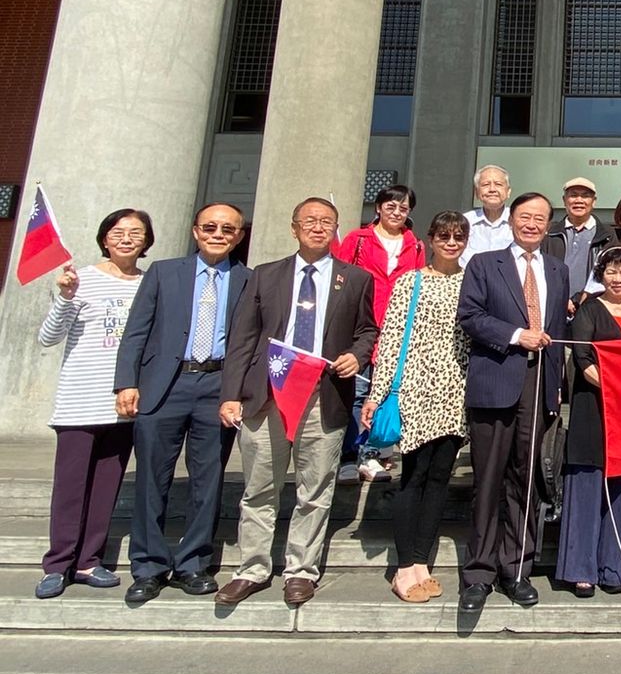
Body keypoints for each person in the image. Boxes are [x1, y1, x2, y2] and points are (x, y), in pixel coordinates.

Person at [216, 197, 378, 607]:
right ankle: (252, 568)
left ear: (336, 230)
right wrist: (231, 394)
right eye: (309, 221)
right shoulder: (265, 275)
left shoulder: (354, 278)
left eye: (326, 222)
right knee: (259, 487)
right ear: (294, 228)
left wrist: (356, 356)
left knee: (315, 489)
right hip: (267, 396)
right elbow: (243, 339)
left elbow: (367, 330)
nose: (318, 227)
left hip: (323, 396)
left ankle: (301, 570)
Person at [113, 203, 251, 602]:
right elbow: (136, 331)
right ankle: (148, 566)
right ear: (195, 231)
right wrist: (126, 383)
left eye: (228, 229)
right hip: (164, 386)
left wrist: (239, 392)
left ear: (239, 236)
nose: (218, 234)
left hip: (217, 387)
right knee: (151, 478)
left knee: (208, 480)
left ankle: (193, 563)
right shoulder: (163, 272)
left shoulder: (248, 279)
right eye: (210, 227)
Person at [456, 192, 568, 613]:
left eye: (540, 218)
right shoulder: (484, 264)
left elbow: (558, 331)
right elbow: (470, 317)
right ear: (511, 221)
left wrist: (555, 386)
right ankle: (479, 573)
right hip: (495, 380)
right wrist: (517, 335)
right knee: (488, 480)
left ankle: (517, 568)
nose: (532, 224)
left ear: (547, 225)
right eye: (525, 217)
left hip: (538, 386)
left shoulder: (557, 270)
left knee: (526, 479)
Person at [33, 209, 153, 600]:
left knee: (106, 487)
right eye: (118, 232)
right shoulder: (80, 278)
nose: (126, 239)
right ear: (104, 238)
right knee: (70, 488)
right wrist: (65, 297)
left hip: (125, 403)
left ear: (147, 241)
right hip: (80, 400)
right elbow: (48, 337)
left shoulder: (150, 284)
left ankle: (88, 560)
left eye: (136, 233)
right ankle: (57, 565)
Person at [359, 212, 471, 604]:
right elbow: (391, 339)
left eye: (458, 236)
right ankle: (404, 564)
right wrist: (377, 393)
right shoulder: (412, 280)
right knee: (414, 474)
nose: (451, 242)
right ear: (431, 239)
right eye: (444, 236)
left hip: (456, 389)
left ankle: (422, 561)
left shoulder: (471, 281)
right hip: (414, 388)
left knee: (440, 476)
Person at [555, 246, 621, 597]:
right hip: (593, 407)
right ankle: (581, 569)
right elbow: (583, 359)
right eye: (611, 271)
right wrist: (617, 388)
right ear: (601, 275)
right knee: (587, 485)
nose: (618, 278)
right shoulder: (590, 309)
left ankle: (617, 567)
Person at [333, 183, 426, 482]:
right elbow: (340, 278)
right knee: (358, 391)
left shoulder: (416, 246)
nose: (396, 212)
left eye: (403, 208)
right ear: (378, 207)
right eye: (391, 206)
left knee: (384, 392)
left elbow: (419, 287)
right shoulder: (357, 239)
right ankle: (349, 455)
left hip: (397, 330)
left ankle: (373, 453)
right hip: (361, 325)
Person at [541, 176, 611, 299]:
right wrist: (561, 299)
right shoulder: (550, 234)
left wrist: (583, 297)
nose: (579, 200)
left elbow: (610, 272)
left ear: (594, 201)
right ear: (564, 200)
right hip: (555, 302)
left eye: (585, 196)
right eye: (573, 195)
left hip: (593, 304)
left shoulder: (607, 235)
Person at [462, 164, 513, 266]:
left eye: (498, 184)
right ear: (476, 193)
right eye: (485, 184)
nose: (492, 189)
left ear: (508, 192)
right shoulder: (464, 221)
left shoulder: (519, 221)